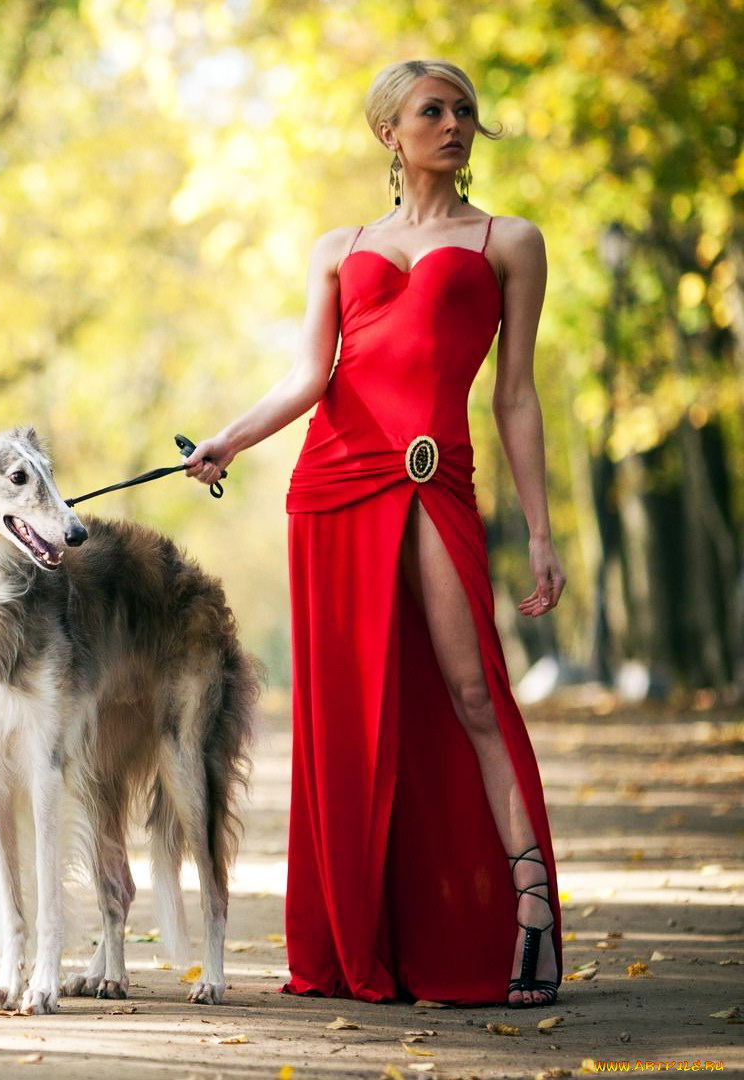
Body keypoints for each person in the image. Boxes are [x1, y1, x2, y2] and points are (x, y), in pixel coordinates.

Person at [181, 60, 565, 1007]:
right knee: (346, 715)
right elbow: (312, 375)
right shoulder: (337, 245)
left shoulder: (507, 242)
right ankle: (359, 937)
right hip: (332, 483)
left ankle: (532, 908)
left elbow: (514, 395)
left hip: (434, 477)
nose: (455, 123)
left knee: (473, 688)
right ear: (389, 132)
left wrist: (545, 533)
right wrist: (229, 438)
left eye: (465, 110)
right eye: (433, 110)